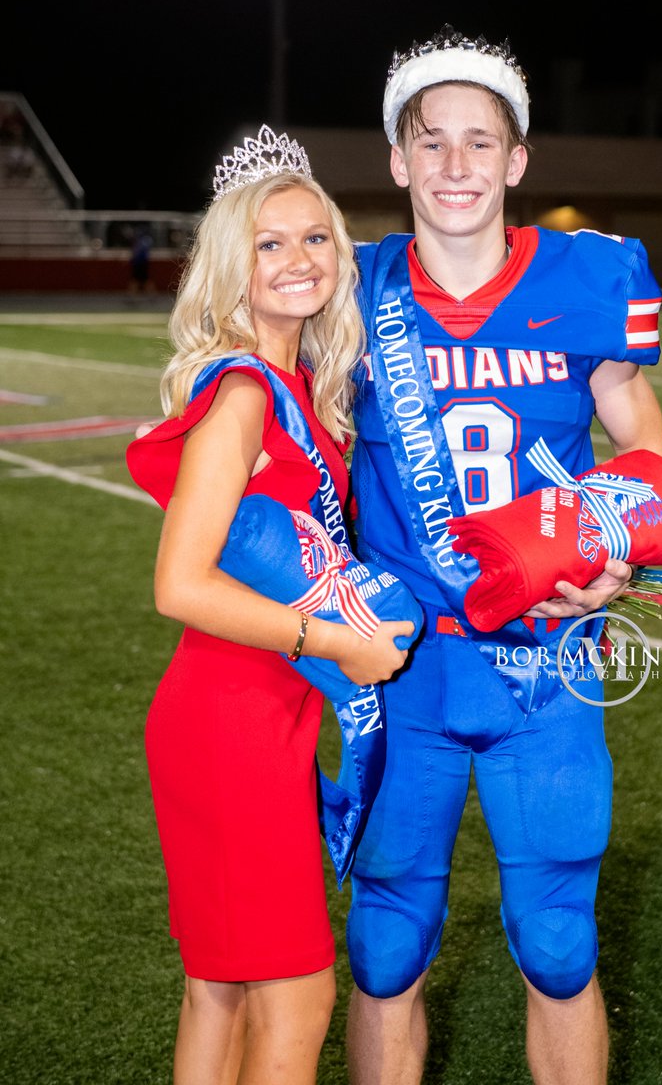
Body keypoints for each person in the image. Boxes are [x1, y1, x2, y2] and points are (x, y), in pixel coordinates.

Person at [344, 26, 662, 1085]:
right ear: (399, 162)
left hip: (543, 665)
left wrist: (624, 561)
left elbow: (643, 453)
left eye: (479, 142)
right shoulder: (350, 293)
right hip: (401, 666)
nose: (456, 165)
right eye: (432, 143)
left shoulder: (587, 283)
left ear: (515, 162)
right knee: (384, 945)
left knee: (555, 944)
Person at [126, 126, 415, 1085]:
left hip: (251, 717)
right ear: (229, 265)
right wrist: (335, 639)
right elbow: (180, 583)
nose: (300, 261)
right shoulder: (246, 392)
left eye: (316, 238)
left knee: (221, 989)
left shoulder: (294, 383)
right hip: (233, 720)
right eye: (269, 243)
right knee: (297, 991)